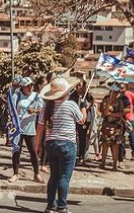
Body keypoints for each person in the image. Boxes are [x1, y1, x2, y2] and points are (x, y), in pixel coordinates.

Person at [36, 77, 86, 213]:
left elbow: (40, 127)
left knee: (54, 176)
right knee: (64, 177)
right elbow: (82, 121)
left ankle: (50, 206)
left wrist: (37, 145)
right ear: (65, 93)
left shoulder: (47, 107)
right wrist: (83, 108)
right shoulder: (71, 105)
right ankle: (62, 207)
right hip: (67, 144)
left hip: (51, 144)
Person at [11, 77, 44, 183]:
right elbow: (11, 107)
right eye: (27, 86)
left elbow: (41, 109)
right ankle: (15, 174)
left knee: (34, 152)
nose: (30, 88)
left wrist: (34, 111)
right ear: (23, 87)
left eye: (31, 85)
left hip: (30, 129)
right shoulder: (17, 96)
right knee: (16, 151)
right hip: (18, 128)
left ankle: (36, 174)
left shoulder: (36, 97)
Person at [98, 81, 129, 171]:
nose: (114, 94)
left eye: (116, 92)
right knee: (105, 144)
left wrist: (111, 114)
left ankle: (114, 165)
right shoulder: (106, 99)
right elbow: (105, 112)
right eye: (113, 92)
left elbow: (121, 113)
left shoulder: (121, 100)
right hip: (107, 125)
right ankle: (102, 163)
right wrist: (109, 102)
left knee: (116, 145)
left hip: (117, 126)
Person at [74, 79, 94, 165]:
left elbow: (90, 106)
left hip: (85, 120)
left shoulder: (88, 97)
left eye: (80, 85)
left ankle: (81, 156)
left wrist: (84, 103)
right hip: (73, 118)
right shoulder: (72, 96)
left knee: (82, 138)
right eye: (77, 85)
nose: (78, 87)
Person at [119, 83, 134, 162]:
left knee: (131, 136)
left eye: (122, 88)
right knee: (122, 137)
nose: (121, 89)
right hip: (121, 119)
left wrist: (131, 113)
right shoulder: (118, 96)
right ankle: (122, 153)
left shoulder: (130, 94)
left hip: (129, 119)